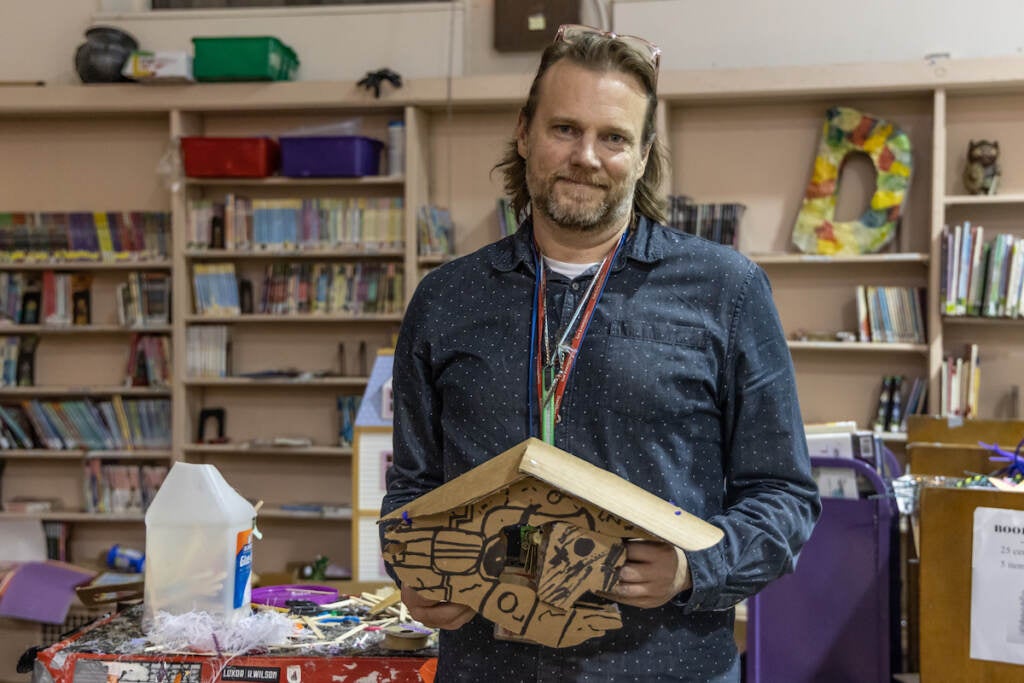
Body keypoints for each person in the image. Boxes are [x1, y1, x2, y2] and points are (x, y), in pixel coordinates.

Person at [381, 24, 821, 682]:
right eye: (565, 129)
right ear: (525, 133)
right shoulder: (446, 299)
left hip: (668, 666)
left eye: (613, 137)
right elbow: (411, 493)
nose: (586, 155)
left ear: (643, 155)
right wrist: (415, 567)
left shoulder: (726, 291)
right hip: (489, 666)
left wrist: (692, 566)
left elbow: (784, 494)